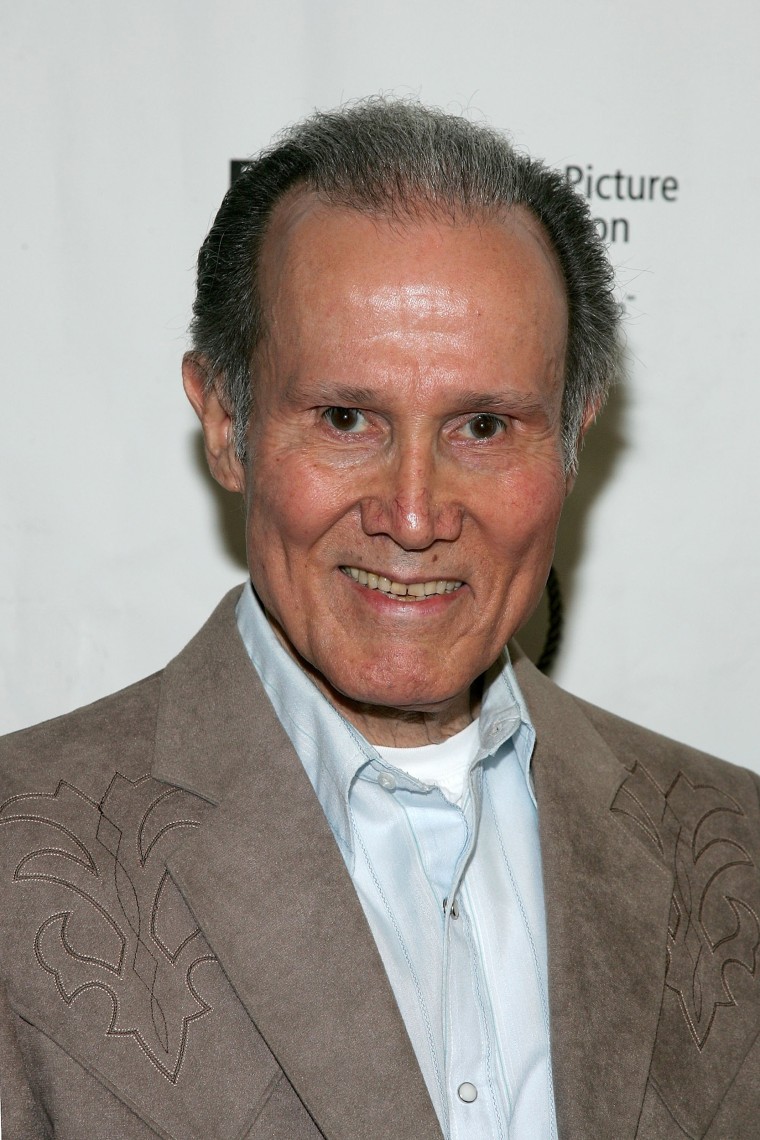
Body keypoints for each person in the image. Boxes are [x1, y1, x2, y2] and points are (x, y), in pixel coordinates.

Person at [1, 99, 758, 1140]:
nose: (413, 514)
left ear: (574, 439)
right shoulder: (18, 859)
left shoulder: (739, 857)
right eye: (346, 419)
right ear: (227, 425)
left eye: (483, 425)